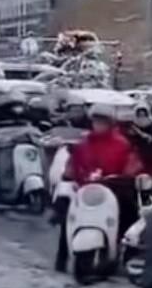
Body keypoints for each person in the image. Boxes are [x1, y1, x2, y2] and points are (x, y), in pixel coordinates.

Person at [56, 108, 141, 273]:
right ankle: (62, 256)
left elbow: (132, 164)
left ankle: (127, 254)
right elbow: (73, 164)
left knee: (130, 213)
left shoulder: (122, 144)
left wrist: (126, 176)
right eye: (96, 121)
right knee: (67, 214)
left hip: (113, 190)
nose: (98, 125)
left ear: (110, 124)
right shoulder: (83, 144)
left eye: (102, 122)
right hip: (86, 190)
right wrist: (69, 175)